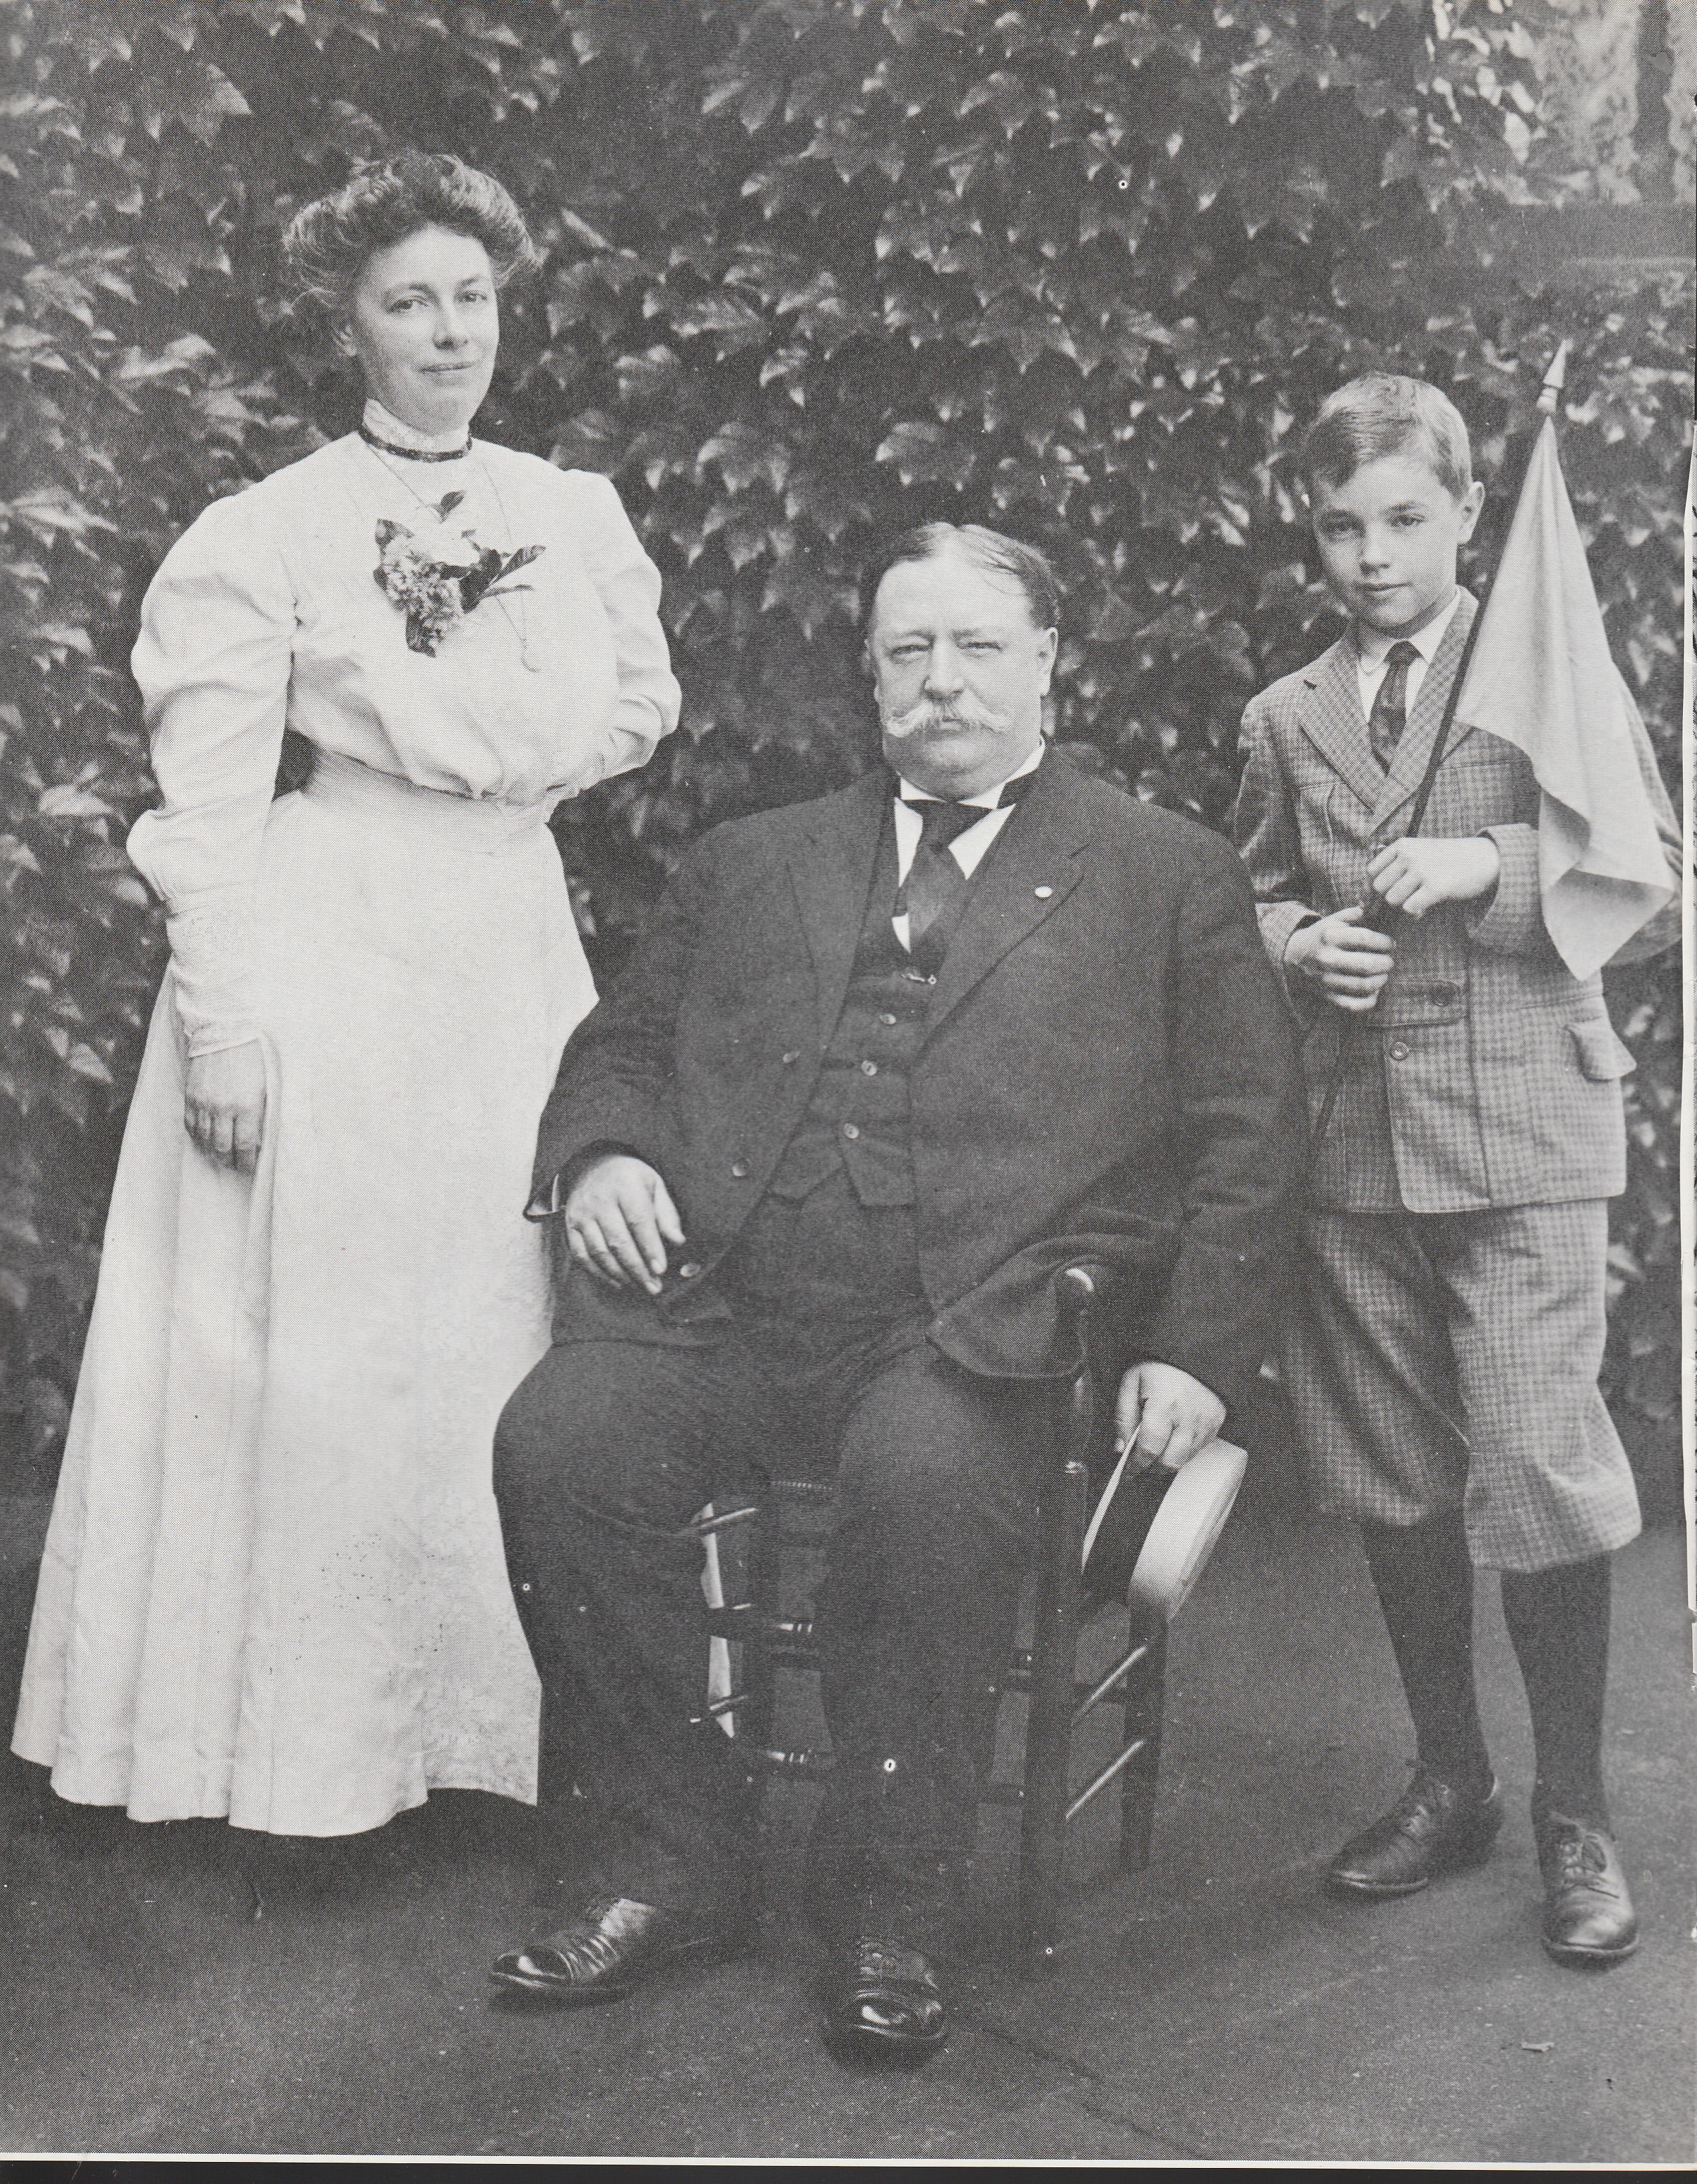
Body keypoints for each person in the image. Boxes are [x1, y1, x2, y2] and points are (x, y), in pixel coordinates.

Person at [487, 521, 1304, 2058]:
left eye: (977, 646)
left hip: (973, 1330)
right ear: (866, 676)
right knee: (560, 1443)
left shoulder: (1161, 872)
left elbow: (1249, 1143)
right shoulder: (752, 858)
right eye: (907, 650)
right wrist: (602, 1154)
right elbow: (623, 1048)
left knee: (920, 1481)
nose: (942, 681)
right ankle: (671, 1857)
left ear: (1048, 662)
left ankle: (887, 1906)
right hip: (735, 1304)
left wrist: (1199, 1351)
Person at [11, 153, 680, 1839]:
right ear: (351, 328)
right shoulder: (267, 534)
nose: (449, 332)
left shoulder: (571, 513)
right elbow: (207, 808)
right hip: (333, 949)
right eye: (409, 303)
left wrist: (502, 762)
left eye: (472, 297)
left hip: (506, 941)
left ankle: (479, 1739)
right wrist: (226, 1027)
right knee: (331, 1340)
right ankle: (302, 1760)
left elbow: (634, 707)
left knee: (492, 1313)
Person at [1233, 373, 1679, 1966]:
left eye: (1405, 519)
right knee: (1389, 1472)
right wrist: (1300, 946)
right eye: (1339, 526)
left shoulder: (1542, 675)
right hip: (1353, 1147)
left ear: (1468, 513)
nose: (1372, 555)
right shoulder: (1283, 714)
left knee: (1540, 1467)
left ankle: (1576, 1813)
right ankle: (1449, 1780)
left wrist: (1489, 861)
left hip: (1521, 1140)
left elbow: (1657, 883)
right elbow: (1245, 898)